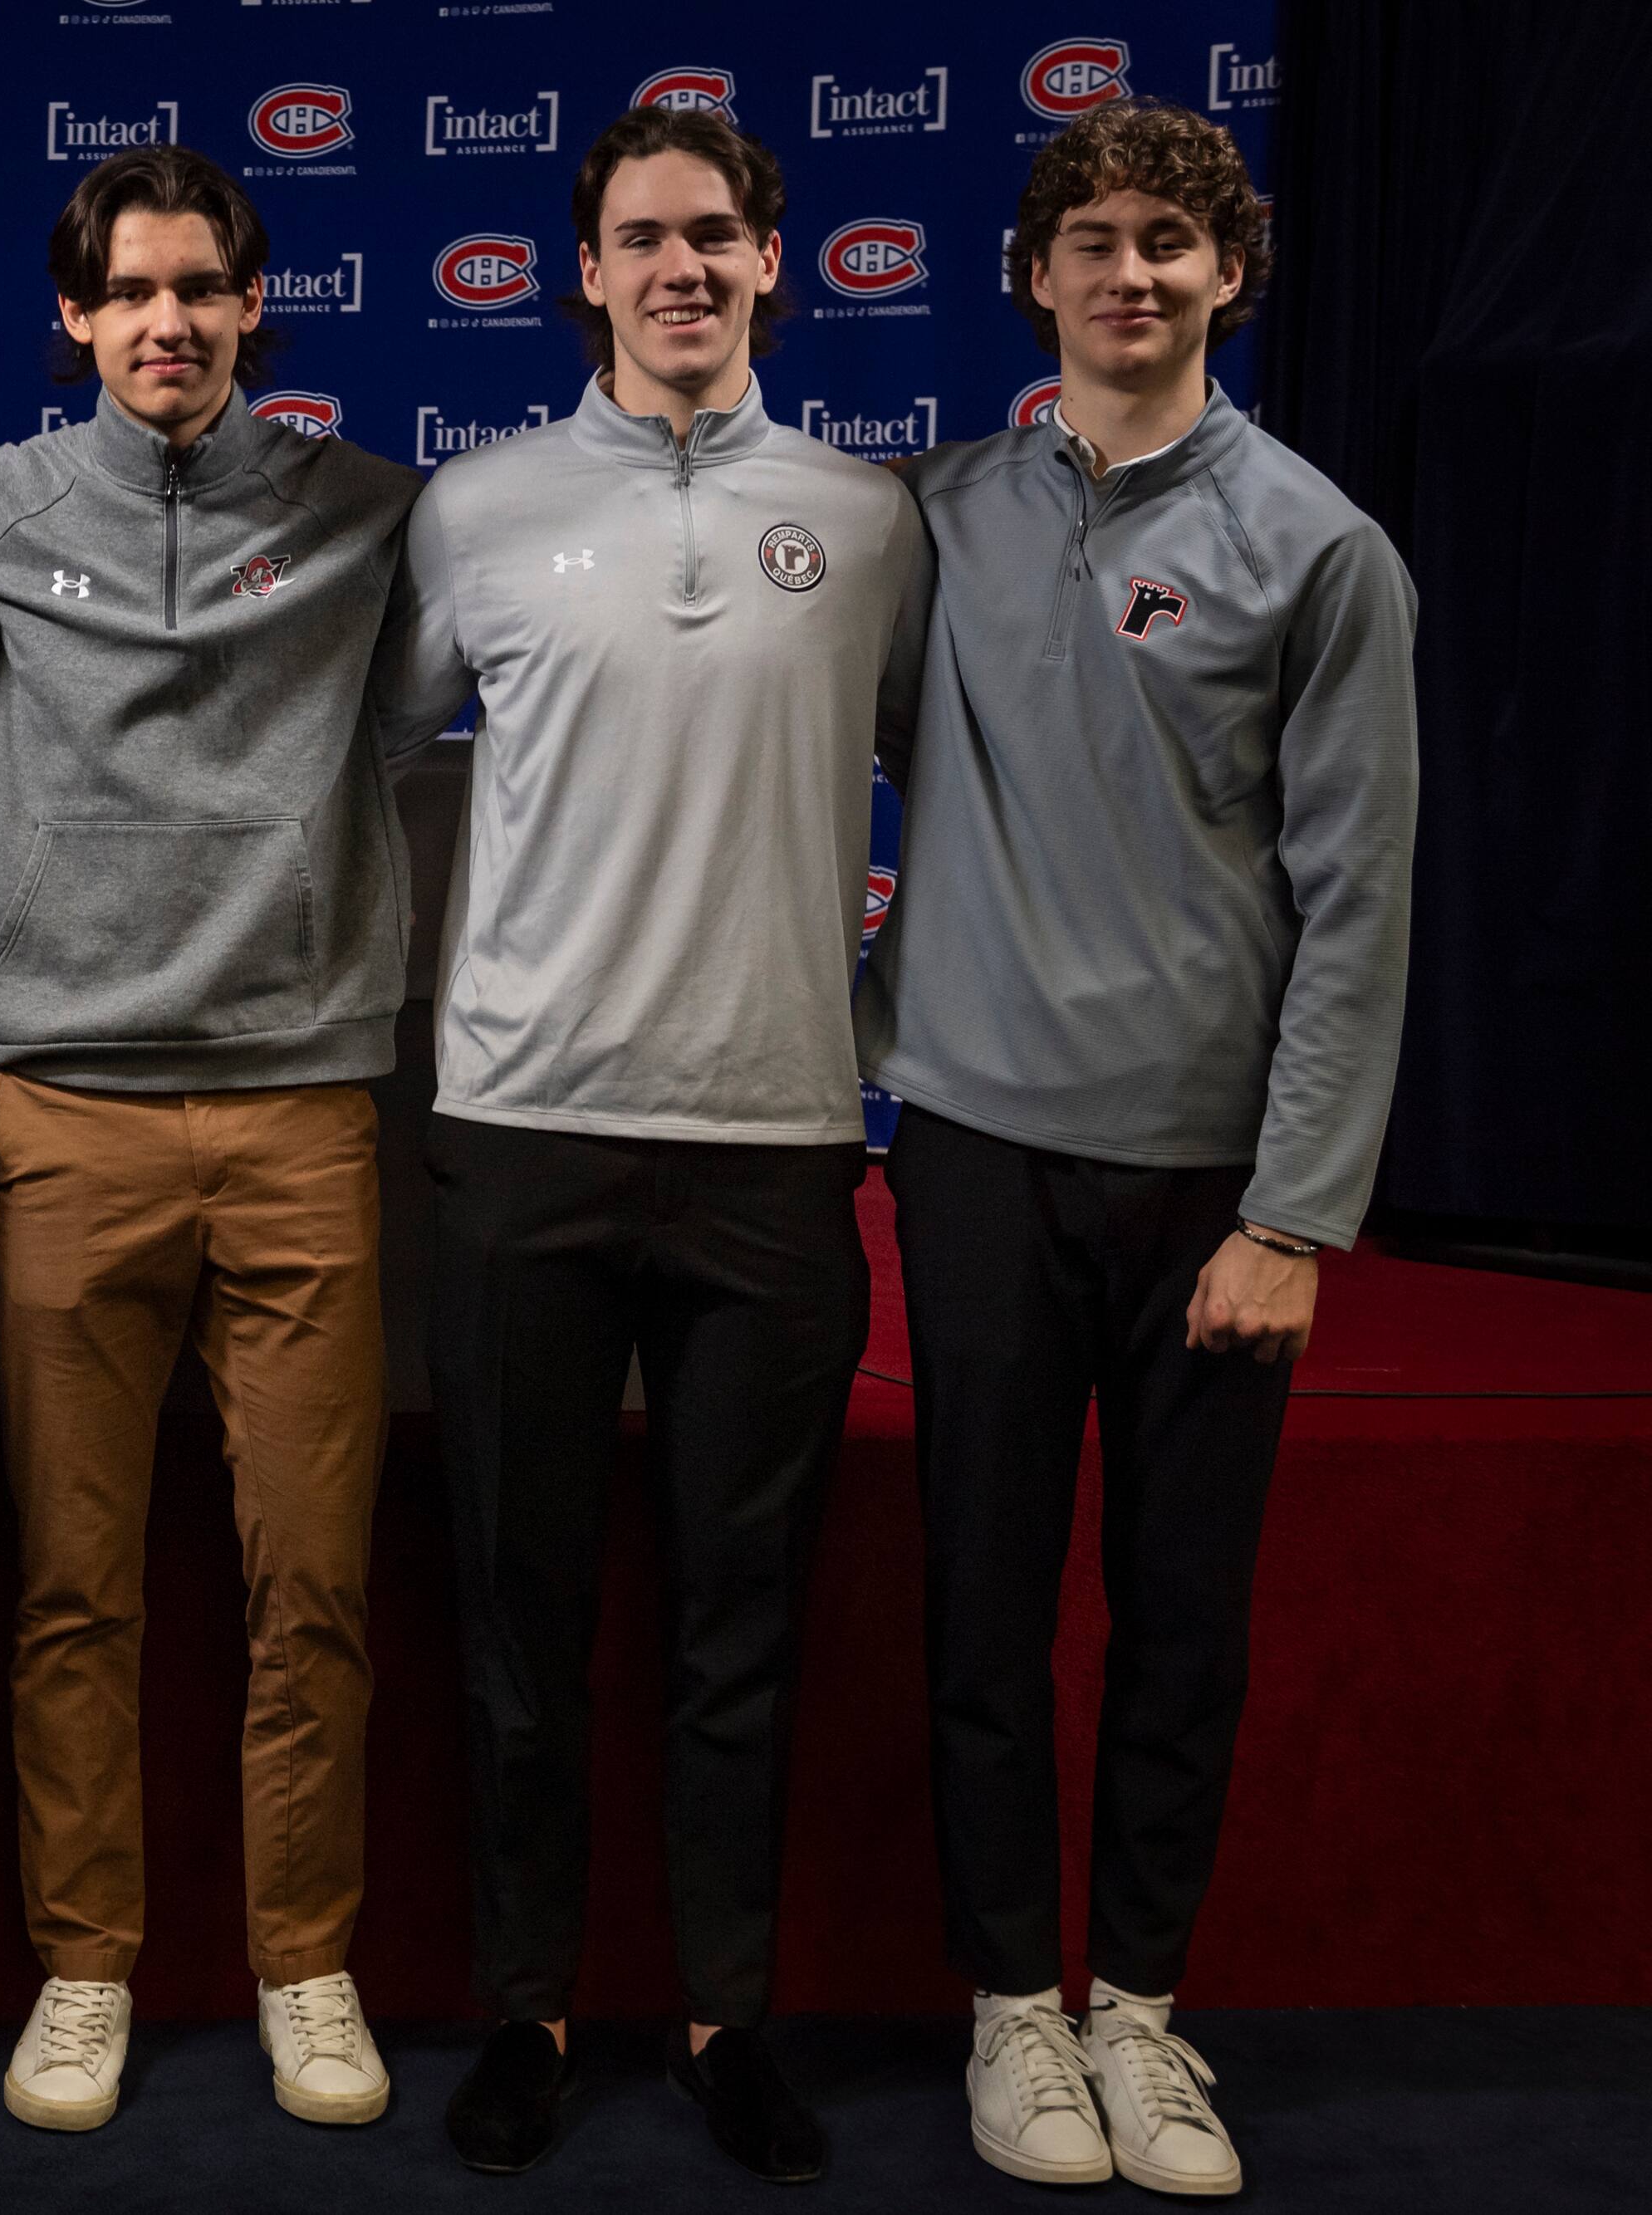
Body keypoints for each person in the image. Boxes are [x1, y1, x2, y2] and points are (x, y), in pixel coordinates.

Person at [860, 99, 1416, 2199]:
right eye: (1089, 238)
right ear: (1032, 274)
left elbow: (1360, 896)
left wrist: (1293, 1211)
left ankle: (1142, 2014)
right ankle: (1012, 2006)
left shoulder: (1319, 545)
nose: (1127, 274)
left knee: (1180, 1619)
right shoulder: (933, 516)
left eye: (1168, 245)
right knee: (984, 1608)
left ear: (1226, 276)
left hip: (1210, 1185)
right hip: (981, 1142)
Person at [375, 105, 933, 2183]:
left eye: (714, 234)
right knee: (516, 1625)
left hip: (775, 1149)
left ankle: (724, 2017)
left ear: (768, 260)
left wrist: (876, 1033)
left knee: (736, 1620)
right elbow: (364, 766)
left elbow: (954, 796)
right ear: (582, 269)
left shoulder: (870, 519)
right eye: (639, 238)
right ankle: (522, 2010)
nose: (679, 266)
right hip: (519, 1134)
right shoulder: (475, 509)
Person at [0, 144, 424, 2132]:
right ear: (73, 320)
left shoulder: (373, 512)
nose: (166, 323)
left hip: (299, 1104)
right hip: (69, 1113)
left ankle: (304, 1962)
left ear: (252, 304)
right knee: (70, 1584)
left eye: (202, 287)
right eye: (129, 293)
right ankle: (82, 1965)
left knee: (315, 1580)